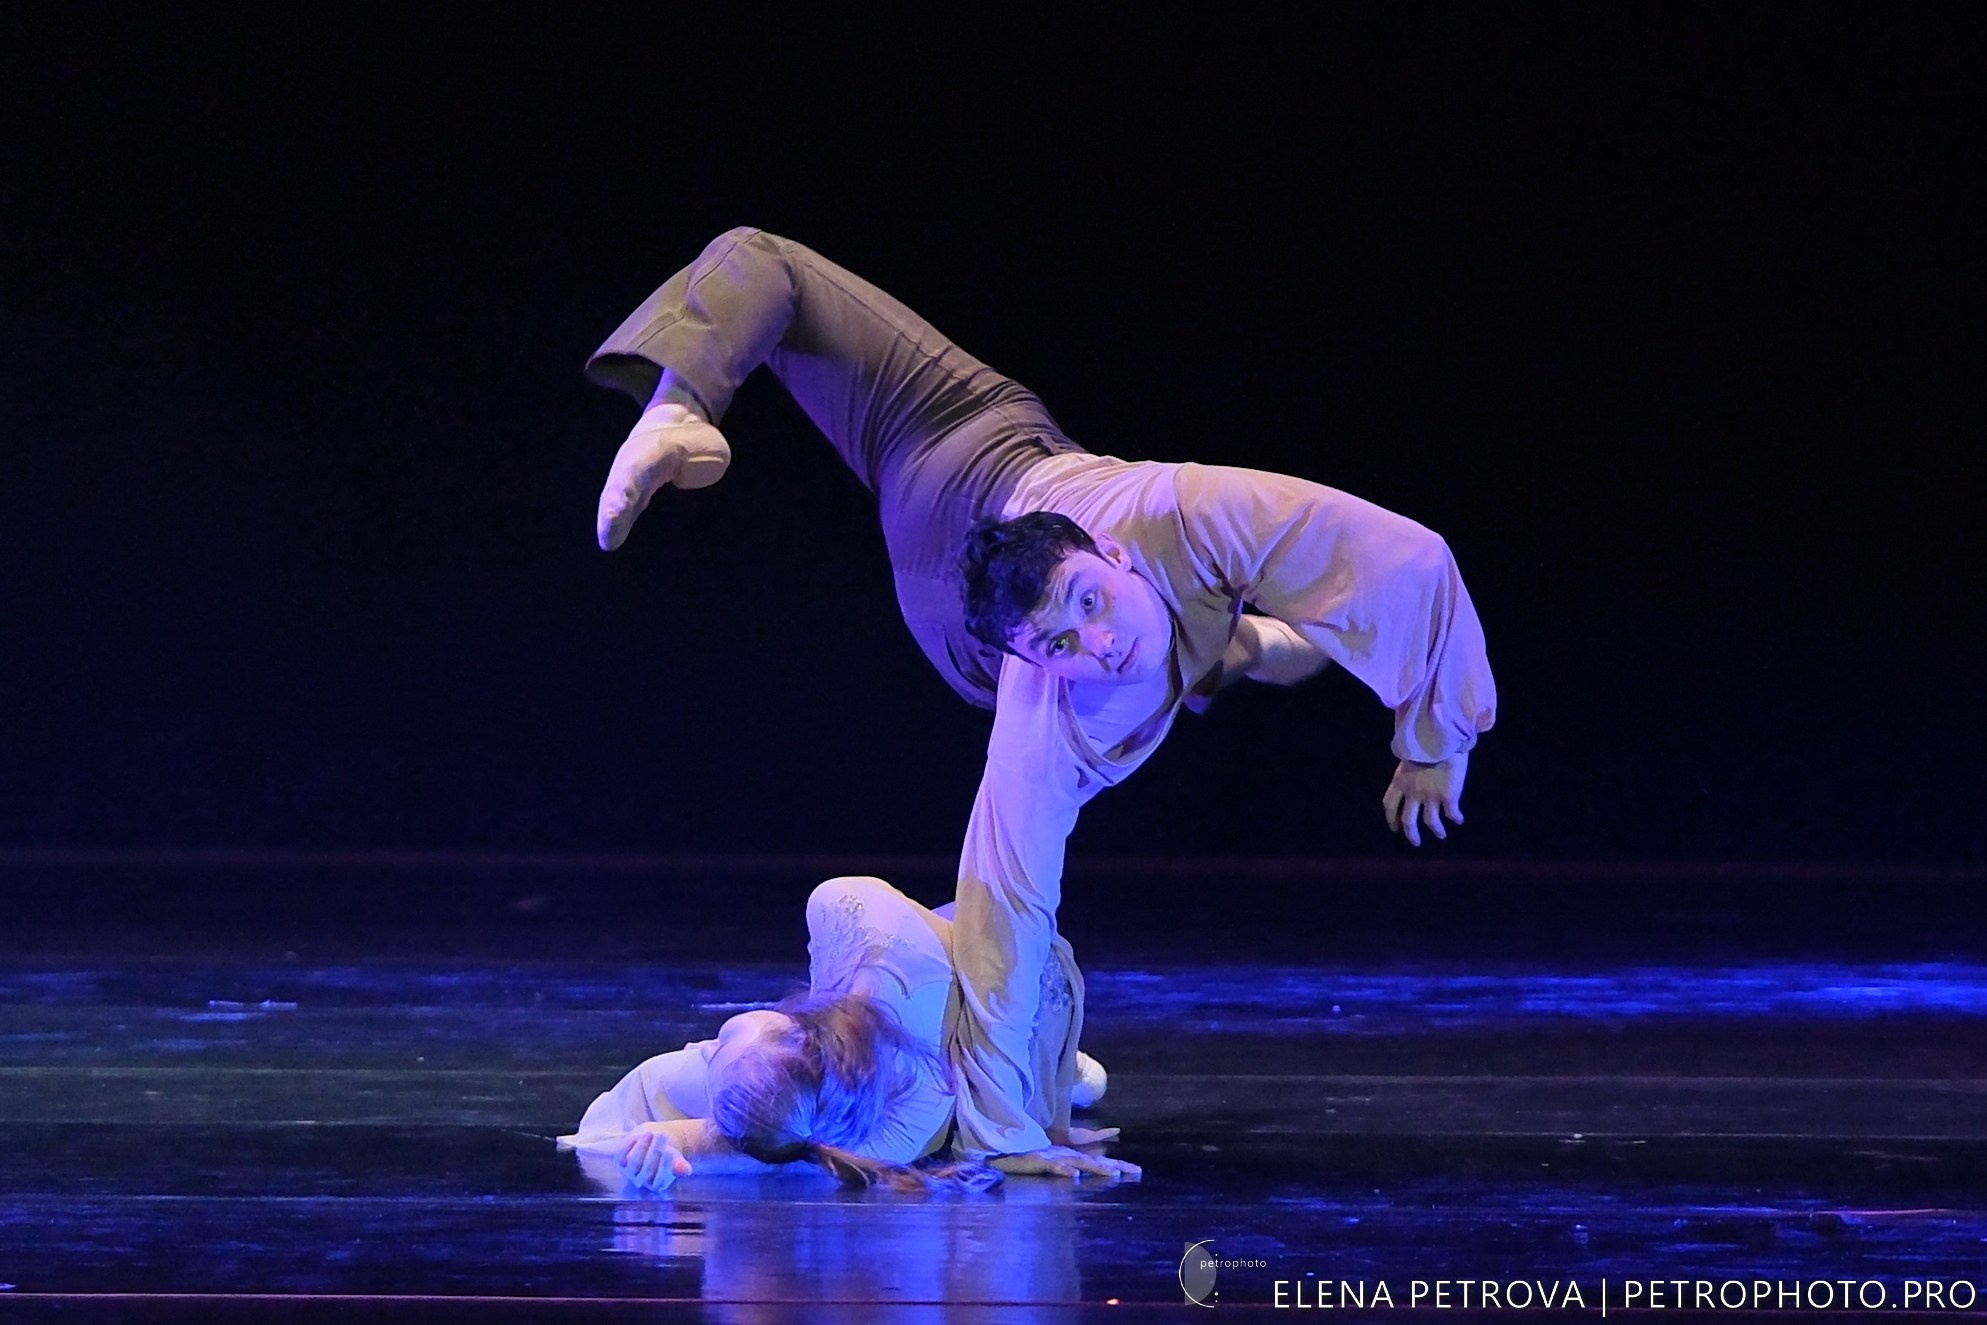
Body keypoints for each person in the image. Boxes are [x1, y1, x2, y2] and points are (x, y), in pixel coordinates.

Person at [583, 229, 1496, 1165]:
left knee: (764, 256)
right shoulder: (1041, 713)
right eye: (1063, 644)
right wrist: (1006, 1131)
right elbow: (1002, 917)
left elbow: (1402, 556)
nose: (1096, 642)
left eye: (1092, 602)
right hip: (947, 584)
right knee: (759, 260)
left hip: (987, 433)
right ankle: (676, 406)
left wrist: (1435, 736)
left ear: (1112, 554)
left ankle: (1231, 646)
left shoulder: (1182, 511)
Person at [559, 875, 1130, 1191]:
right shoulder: (900, 1127)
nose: (726, 1032)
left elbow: (771, 1148)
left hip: (986, 973)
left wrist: (664, 1145)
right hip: (1011, 1011)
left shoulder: (854, 924)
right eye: (731, 1041)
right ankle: (1072, 1070)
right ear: (800, 1034)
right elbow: (793, 1147)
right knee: (1082, 1080)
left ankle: (1072, 1070)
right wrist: (666, 1145)